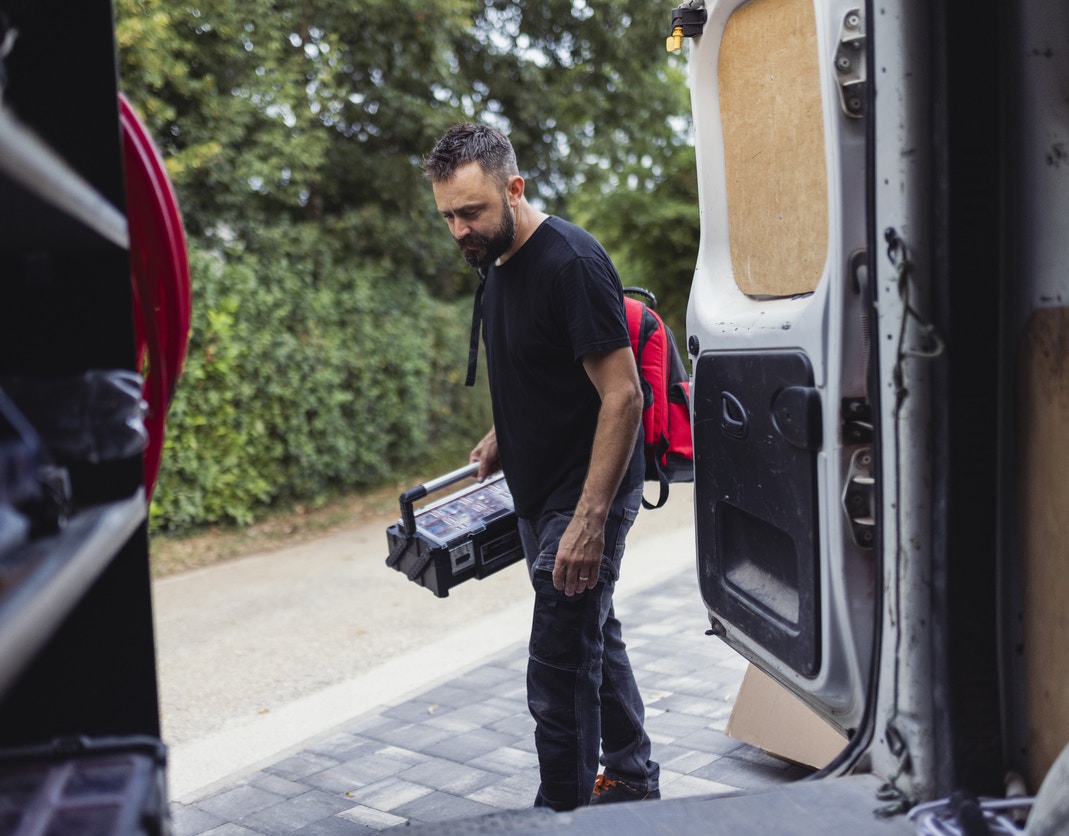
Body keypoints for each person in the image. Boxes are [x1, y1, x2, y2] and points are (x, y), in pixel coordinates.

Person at [423, 123, 660, 811]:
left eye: (471, 211)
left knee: (556, 673)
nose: (460, 230)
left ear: (514, 188)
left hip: (584, 495)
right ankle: (633, 775)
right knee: (591, 636)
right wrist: (503, 431)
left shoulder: (570, 264)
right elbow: (545, 363)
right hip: (537, 489)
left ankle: (561, 815)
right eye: (448, 216)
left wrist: (587, 523)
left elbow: (622, 393)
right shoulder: (495, 259)